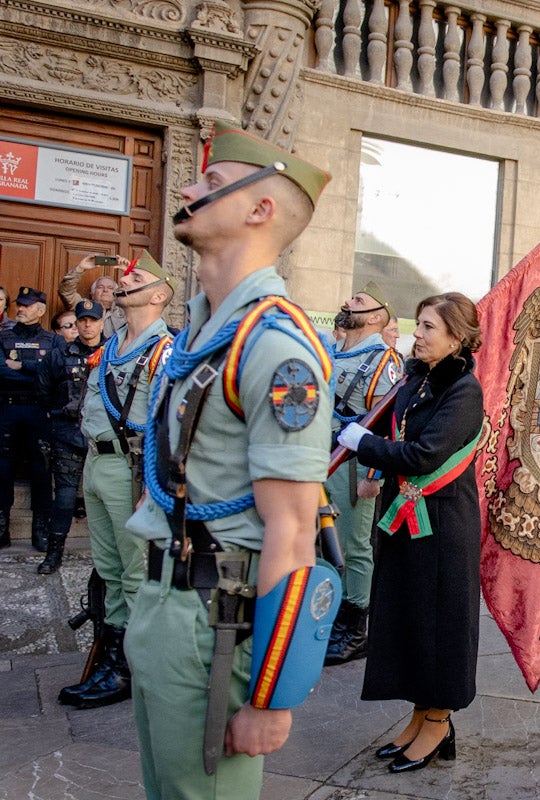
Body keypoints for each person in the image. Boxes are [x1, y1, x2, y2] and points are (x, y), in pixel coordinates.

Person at [122, 120, 335, 799]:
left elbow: (295, 532)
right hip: (163, 605)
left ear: (259, 208)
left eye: (210, 183)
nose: (186, 189)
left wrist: (273, 695)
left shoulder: (275, 349)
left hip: (213, 623)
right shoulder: (201, 336)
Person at [335, 292, 484, 774]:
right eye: (416, 326)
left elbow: (423, 455)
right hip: (403, 516)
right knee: (411, 618)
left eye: (427, 328)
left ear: (456, 338)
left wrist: (365, 444)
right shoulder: (416, 379)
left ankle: (439, 720)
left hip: (441, 523)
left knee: (440, 622)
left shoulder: (463, 389)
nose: (416, 336)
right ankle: (420, 713)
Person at [58, 253, 174, 708]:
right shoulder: (112, 342)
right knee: (107, 569)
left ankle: (127, 668)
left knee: (133, 572)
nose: (126, 282)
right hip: (97, 463)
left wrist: (154, 482)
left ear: (160, 295)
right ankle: (108, 657)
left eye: (138, 278)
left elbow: (167, 423)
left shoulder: (164, 351)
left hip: (132, 470)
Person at [323, 282, 400, 665]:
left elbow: (388, 422)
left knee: (353, 547)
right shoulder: (327, 352)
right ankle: (330, 615)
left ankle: (355, 628)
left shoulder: (384, 362)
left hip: (351, 466)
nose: (346, 303)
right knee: (322, 542)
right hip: (316, 458)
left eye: (357, 301)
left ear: (374, 317)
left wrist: (374, 474)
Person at [34, 299, 105, 574]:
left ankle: (109, 555)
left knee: (109, 497)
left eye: (93, 320)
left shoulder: (114, 352)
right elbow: (43, 392)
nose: (87, 325)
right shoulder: (58, 354)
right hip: (67, 433)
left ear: (101, 321)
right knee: (63, 497)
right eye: (83, 319)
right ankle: (54, 554)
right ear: (76, 323)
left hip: (103, 434)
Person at [0, 286, 60, 551]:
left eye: (27, 305)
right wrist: (37, 373)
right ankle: (2, 526)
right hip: (8, 409)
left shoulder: (54, 340)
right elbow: (1, 372)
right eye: (19, 304)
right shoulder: (3, 336)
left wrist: (23, 366)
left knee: (41, 469)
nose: (20, 309)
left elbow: (56, 373)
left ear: (41, 310)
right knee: (2, 469)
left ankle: (41, 527)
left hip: (39, 411)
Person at [59, 257, 126, 337]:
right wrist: (80, 269)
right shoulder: (82, 306)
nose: (105, 290)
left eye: (110, 288)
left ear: (116, 294)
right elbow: (67, 292)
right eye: (100, 287)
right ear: (92, 293)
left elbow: (142, 300)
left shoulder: (124, 310)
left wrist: (130, 273)